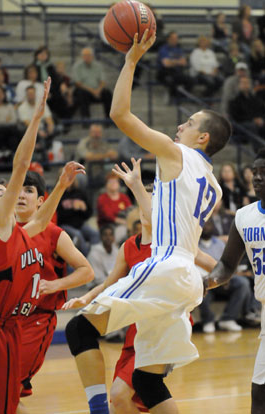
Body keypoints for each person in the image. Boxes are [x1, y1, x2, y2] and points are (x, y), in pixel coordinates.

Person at [64, 30, 231, 414]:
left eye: (188, 123)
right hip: (188, 281)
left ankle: (98, 410)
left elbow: (119, 114)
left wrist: (131, 60)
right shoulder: (216, 187)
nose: (179, 127)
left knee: (80, 329)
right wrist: (140, 190)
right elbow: (165, 220)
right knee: (146, 381)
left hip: (166, 265)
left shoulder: (176, 154)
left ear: (202, 136)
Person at [63, 158, 217, 414]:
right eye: (146, 200)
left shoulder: (174, 240)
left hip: (162, 322)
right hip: (136, 328)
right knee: (127, 400)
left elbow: (216, 266)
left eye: (156, 201)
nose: (150, 206)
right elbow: (110, 283)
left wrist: (199, 286)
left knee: (124, 393)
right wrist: (87, 298)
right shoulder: (129, 247)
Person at [0, 77, 85, 414]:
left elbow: (42, 222)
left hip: (15, 326)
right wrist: (34, 118)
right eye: (1, 194)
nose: (10, 193)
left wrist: (60, 186)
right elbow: (20, 166)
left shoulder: (20, 232)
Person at [14, 170, 94, 414]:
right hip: (6, 322)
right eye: (18, 188)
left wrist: (55, 285)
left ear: (41, 201)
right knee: (2, 394)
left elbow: (86, 271)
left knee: (4, 390)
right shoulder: (2, 231)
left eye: (29, 190)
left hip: (36, 321)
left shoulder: (54, 234)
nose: (21, 194)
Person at [204, 147, 265, 414]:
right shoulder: (243, 216)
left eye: (264, 173)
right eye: (255, 172)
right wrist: (206, 282)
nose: (258, 178)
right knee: (259, 392)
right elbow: (227, 264)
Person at [198, 219, 252, 333]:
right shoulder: (195, 245)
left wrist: (224, 278)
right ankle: (208, 321)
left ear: (213, 227)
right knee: (199, 285)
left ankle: (228, 319)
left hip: (223, 277)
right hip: (205, 278)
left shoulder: (220, 243)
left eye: (209, 224)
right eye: (205, 225)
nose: (207, 227)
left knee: (243, 283)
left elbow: (228, 264)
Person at [57, 176, 99, 256]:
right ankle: (87, 259)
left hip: (80, 224)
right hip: (64, 225)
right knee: (78, 235)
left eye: (70, 178)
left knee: (95, 234)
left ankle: (94, 257)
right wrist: (73, 207)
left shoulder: (79, 193)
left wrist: (83, 209)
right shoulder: (58, 194)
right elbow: (58, 216)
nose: (68, 181)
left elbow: (89, 213)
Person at [72, 47, 113, 121]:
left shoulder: (98, 66)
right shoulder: (77, 67)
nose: (87, 57)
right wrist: (91, 91)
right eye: (85, 55)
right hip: (85, 90)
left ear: (92, 56)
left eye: (89, 55)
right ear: (82, 57)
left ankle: (109, 118)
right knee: (81, 94)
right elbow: (78, 83)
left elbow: (103, 81)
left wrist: (98, 90)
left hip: (97, 90)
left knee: (108, 93)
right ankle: (86, 120)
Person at [75, 123, 118, 189]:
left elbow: (114, 155)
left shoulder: (103, 143)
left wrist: (100, 156)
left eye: (99, 132)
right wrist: (106, 155)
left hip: (100, 171)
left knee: (114, 172)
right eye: (94, 132)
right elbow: (88, 157)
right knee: (81, 178)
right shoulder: (84, 142)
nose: (96, 135)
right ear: (90, 133)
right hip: (83, 171)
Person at [97, 172, 132, 244]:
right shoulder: (102, 198)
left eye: (115, 181)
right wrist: (122, 221)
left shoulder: (124, 197)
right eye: (110, 181)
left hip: (125, 223)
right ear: (106, 184)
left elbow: (130, 210)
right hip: (108, 225)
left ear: (119, 184)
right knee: (123, 230)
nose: (113, 183)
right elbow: (107, 215)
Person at [156, 31, 193, 99]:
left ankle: (180, 97)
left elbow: (184, 62)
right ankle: (172, 97)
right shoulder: (163, 49)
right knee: (172, 80)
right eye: (174, 38)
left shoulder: (179, 49)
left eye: (176, 38)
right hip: (165, 73)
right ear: (168, 39)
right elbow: (166, 64)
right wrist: (178, 62)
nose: (176, 40)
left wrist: (172, 62)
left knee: (191, 80)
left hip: (177, 72)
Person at [0, 85, 21, 153]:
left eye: (1, 93)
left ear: (4, 94)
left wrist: (2, 120)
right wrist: (6, 120)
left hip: (9, 131)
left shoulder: (9, 106)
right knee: (6, 129)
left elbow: (14, 120)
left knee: (14, 133)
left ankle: (13, 153)